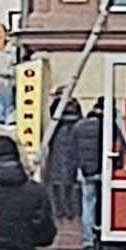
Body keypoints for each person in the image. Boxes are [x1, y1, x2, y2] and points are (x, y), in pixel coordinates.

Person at [73, 98, 104, 250]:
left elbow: (73, 150)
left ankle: (88, 239)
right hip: (105, 169)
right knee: (104, 203)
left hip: (86, 171)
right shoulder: (106, 126)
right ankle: (103, 233)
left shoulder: (79, 126)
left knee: (88, 203)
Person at [45, 94, 81, 222]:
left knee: (56, 181)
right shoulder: (77, 119)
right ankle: (70, 210)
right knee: (69, 182)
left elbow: (52, 113)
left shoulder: (57, 121)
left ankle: (59, 210)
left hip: (58, 147)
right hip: (71, 150)